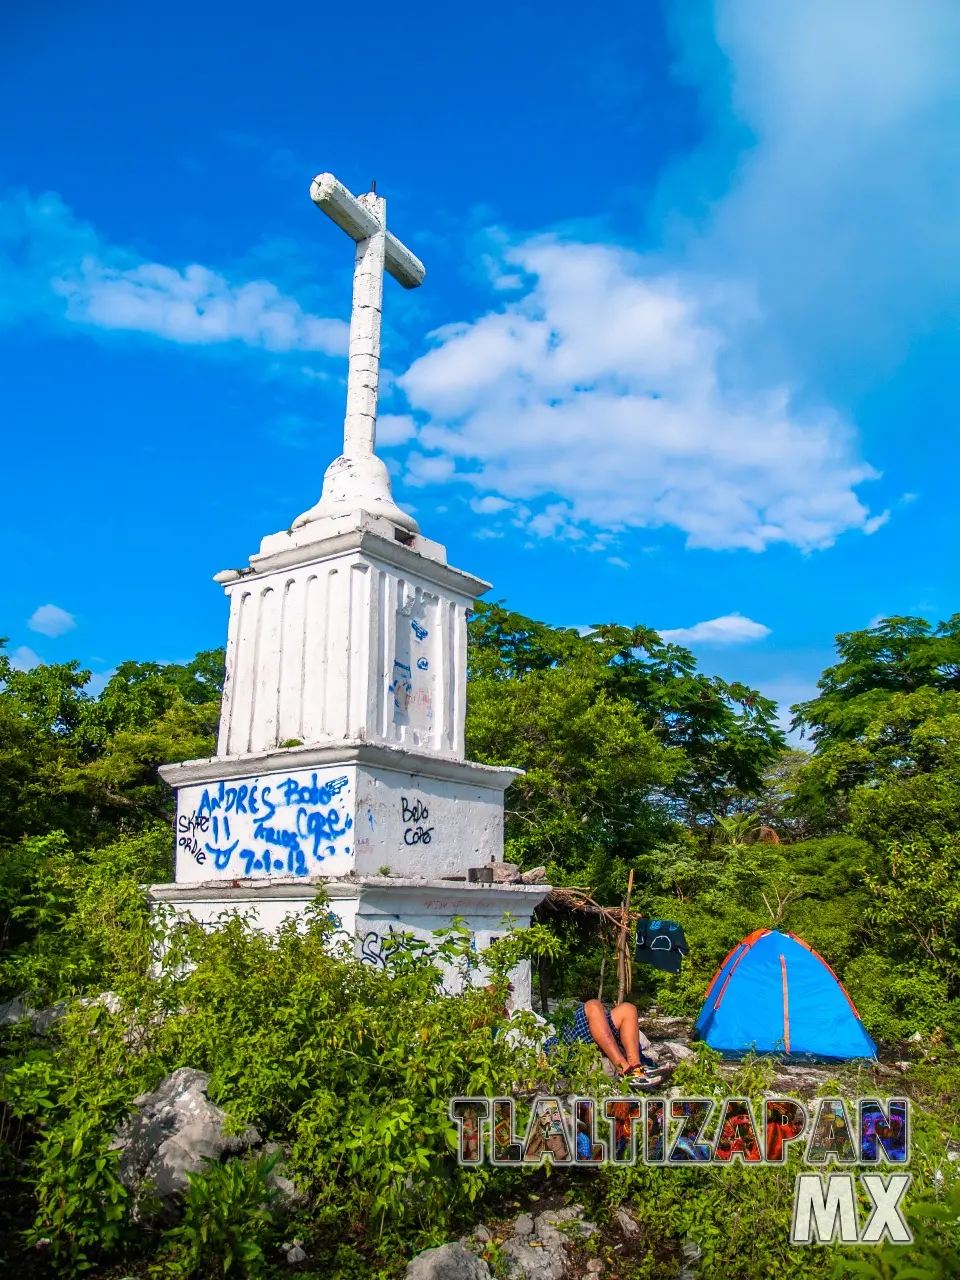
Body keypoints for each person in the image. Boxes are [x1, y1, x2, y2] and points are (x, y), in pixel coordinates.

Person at [544, 998, 668, 1090]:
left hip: (591, 1046)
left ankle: (636, 1067)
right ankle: (625, 1069)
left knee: (628, 1009)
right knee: (593, 1005)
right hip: (564, 1051)